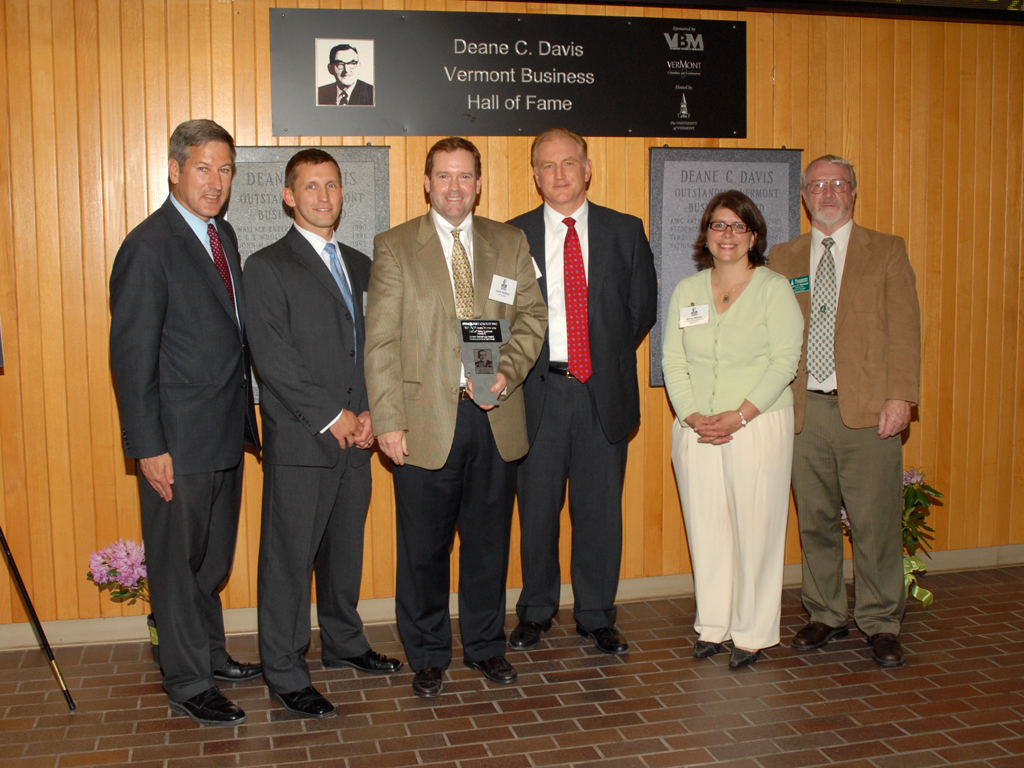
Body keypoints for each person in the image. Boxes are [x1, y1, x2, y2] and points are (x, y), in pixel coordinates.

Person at [365, 137, 546, 698]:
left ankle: (487, 646)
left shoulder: (509, 242)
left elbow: (532, 317)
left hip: (495, 414)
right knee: (424, 549)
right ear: (426, 183)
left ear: (478, 183)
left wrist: (506, 373)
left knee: (489, 544)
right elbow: (381, 342)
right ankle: (427, 654)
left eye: (464, 176)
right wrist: (388, 419)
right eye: (443, 175)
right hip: (424, 421)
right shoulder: (395, 246)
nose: (454, 187)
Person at [109, 119, 262, 725]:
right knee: (177, 567)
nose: (215, 182)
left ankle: (210, 654)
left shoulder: (223, 234)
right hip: (176, 442)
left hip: (224, 433)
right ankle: (188, 680)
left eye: (225, 170)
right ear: (174, 170)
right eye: (203, 168)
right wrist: (148, 446)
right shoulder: (149, 247)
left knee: (210, 564)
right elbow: (132, 358)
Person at [243, 149, 402, 720]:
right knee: (288, 561)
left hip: (357, 438)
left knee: (343, 553)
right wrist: (333, 415)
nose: (323, 196)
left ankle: (344, 643)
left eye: (331, 185)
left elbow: (377, 347)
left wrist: (372, 412)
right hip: (303, 440)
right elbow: (273, 357)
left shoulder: (361, 264)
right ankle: (285, 671)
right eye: (310, 187)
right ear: (289, 196)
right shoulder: (266, 266)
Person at [507, 128, 657, 655]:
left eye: (568, 163)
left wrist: (600, 357)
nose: (559, 174)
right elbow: (501, 315)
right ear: (535, 175)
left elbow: (641, 309)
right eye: (547, 166)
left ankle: (596, 614)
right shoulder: (513, 235)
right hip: (538, 394)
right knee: (537, 513)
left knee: (599, 513)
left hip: (600, 394)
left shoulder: (624, 230)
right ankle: (536, 610)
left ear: (587, 168)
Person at [769, 155, 921, 668]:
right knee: (814, 521)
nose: (828, 193)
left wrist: (901, 397)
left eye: (838, 184)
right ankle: (826, 613)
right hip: (802, 412)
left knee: (876, 523)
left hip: (869, 412)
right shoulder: (783, 257)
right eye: (817, 185)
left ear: (854, 192)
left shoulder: (887, 250)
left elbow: (905, 329)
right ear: (804, 197)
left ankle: (881, 621)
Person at [662, 190, 803, 669]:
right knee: (706, 529)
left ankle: (752, 632)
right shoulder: (687, 291)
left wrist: (740, 415)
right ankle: (713, 626)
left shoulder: (773, 289)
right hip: (696, 428)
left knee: (757, 531)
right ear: (705, 234)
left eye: (738, 226)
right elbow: (673, 359)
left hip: (758, 426)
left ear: (753, 236)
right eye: (718, 225)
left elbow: (784, 362)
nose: (727, 235)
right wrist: (691, 415)